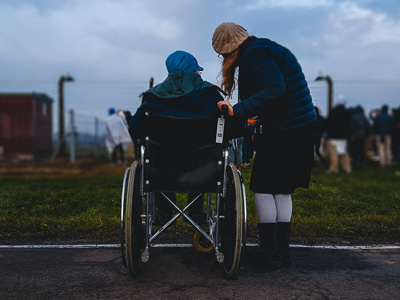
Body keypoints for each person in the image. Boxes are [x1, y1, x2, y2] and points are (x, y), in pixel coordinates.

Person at [212, 22, 316, 267]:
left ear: (230, 50)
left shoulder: (255, 56)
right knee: (281, 188)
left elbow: (274, 89)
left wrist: (237, 110)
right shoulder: (265, 48)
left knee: (262, 186)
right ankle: (281, 251)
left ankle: (268, 250)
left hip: (284, 128)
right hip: (298, 126)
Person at [129, 50, 226, 225]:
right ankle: (196, 213)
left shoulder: (152, 98)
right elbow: (228, 129)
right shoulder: (212, 96)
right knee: (201, 156)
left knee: (157, 157)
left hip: (161, 169)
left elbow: (135, 130)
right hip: (203, 169)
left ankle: (164, 211)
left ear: (168, 73)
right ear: (196, 72)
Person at [325, 103, 352, 173]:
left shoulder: (332, 112)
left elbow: (327, 123)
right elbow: (350, 124)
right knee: (343, 152)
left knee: (333, 153)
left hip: (333, 136)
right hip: (343, 136)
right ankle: (347, 168)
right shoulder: (347, 113)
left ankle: (334, 168)